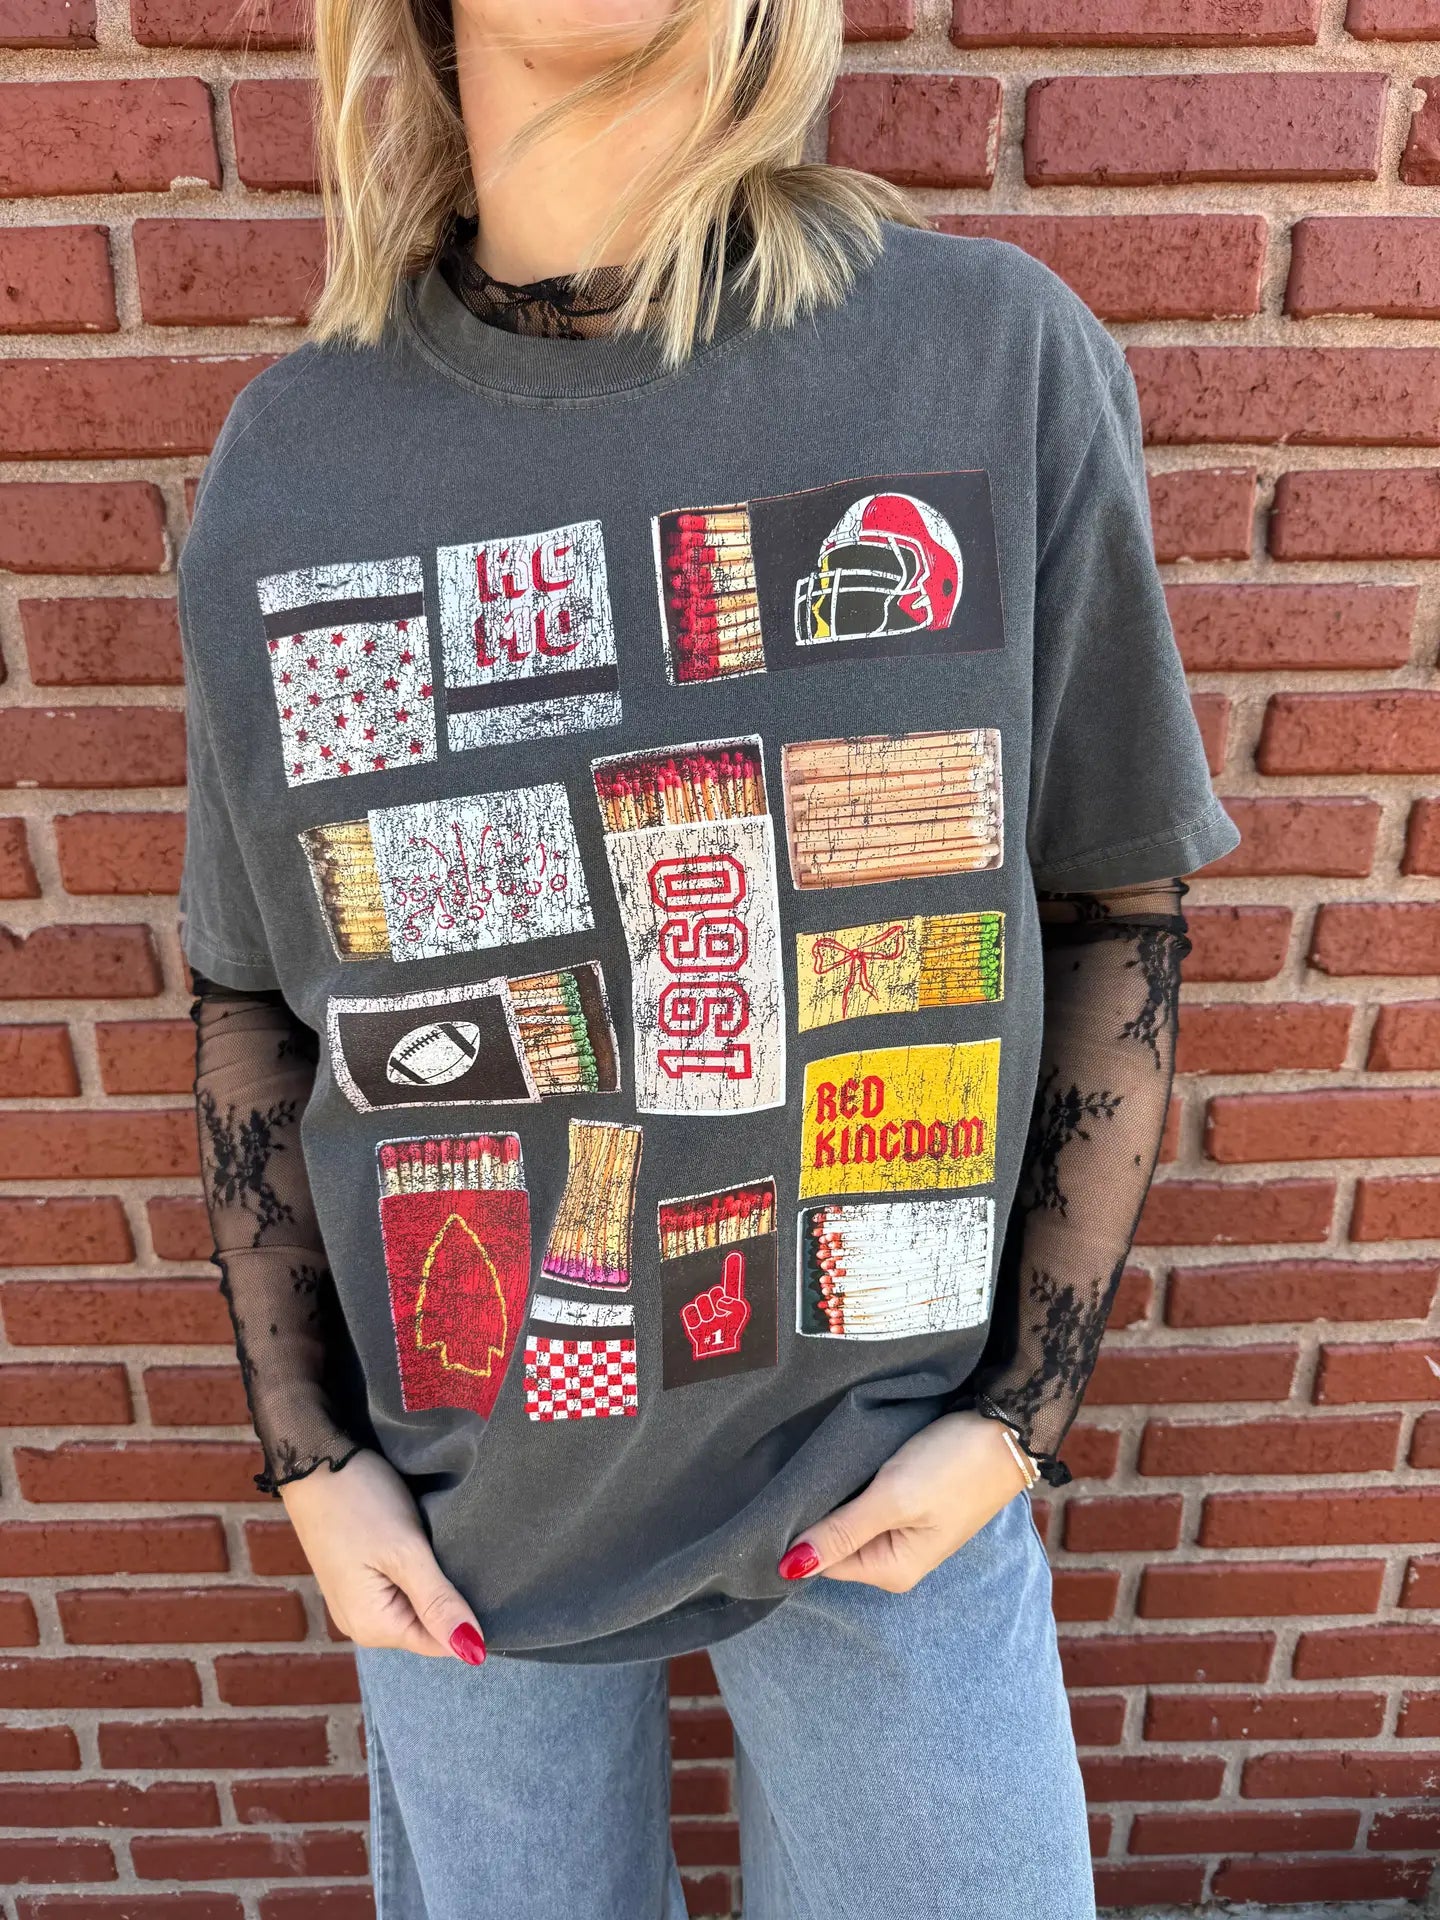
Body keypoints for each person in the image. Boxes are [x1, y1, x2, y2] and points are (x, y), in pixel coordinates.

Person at [179, 2, 1239, 1913]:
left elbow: (1114, 907)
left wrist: (1019, 1419)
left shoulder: (984, 360)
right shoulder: (298, 458)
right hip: (465, 1516)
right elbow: (254, 987)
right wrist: (311, 1458)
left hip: (881, 1477)